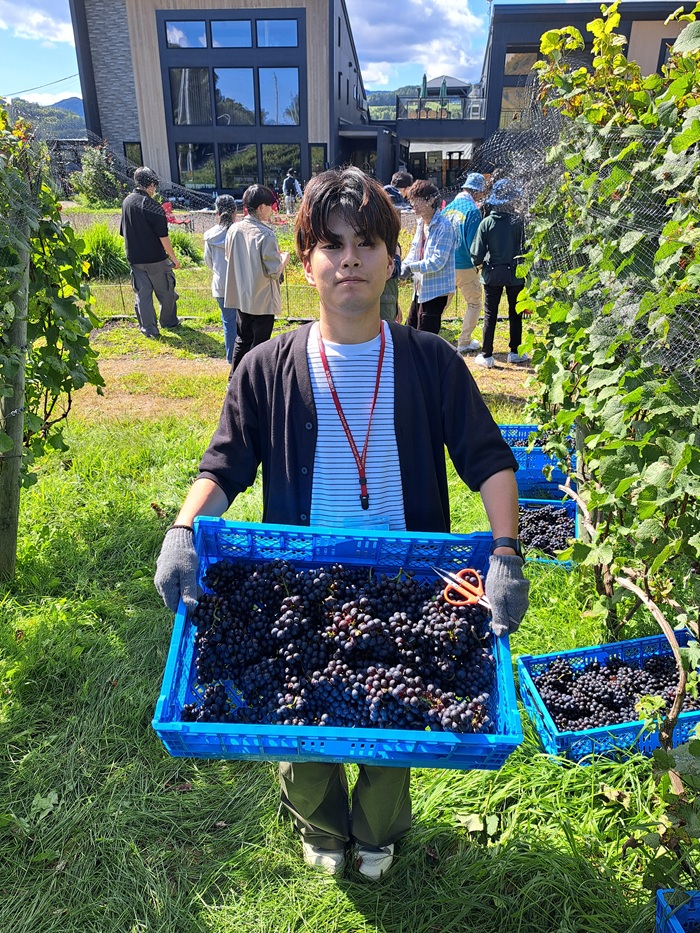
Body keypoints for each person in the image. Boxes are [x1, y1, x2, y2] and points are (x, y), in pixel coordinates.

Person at [153, 166, 529, 882]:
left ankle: (378, 829)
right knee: (301, 725)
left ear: (393, 257)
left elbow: (488, 459)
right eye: (330, 244)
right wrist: (182, 530)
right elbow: (224, 465)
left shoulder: (431, 362)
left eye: (364, 243)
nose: (348, 258)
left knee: (399, 721)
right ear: (306, 261)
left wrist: (506, 549)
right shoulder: (266, 367)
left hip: (407, 586)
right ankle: (321, 826)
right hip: (298, 585)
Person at [223, 184, 290, 372]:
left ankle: (234, 379)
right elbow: (274, 270)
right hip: (262, 299)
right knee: (261, 345)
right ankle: (254, 382)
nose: (272, 210)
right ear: (261, 207)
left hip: (241, 296)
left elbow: (229, 257)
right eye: (270, 206)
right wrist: (284, 259)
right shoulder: (265, 234)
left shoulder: (234, 229)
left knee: (242, 338)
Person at [470, 178, 529, 368]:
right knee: (515, 313)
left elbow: (476, 255)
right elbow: (526, 248)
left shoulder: (486, 223)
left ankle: (487, 355)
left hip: (492, 274)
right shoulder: (519, 222)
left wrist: (478, 263)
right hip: (515, 275)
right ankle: (515, 352)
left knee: (490, 314)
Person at [119, 166, 181, 339]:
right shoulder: (153, 206)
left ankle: (149, 330)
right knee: (166, 291)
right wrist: (174, 259)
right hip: (155, 259)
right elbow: (164, 237)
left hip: (134, 258)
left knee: (143, 295)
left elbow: (123, 232)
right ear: (151, 185)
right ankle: (169, 321)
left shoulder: (127, 202)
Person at [401, 180, 456, 334]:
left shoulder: (444, 227)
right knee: (409, 331)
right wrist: (401, 266)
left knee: (425, 338)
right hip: (420, 288)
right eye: (412, 200)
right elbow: (414, 252)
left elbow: (438, 262)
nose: (413, 204)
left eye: (417, 200)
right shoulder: (421, 223)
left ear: (431, 200)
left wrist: (410, 268)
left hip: (436, 292)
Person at [442, 173, 486, 354]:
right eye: (482, 192)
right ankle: (464, 341)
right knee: (474, 302)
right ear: (477, 192)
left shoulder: (448, 208)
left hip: (445, 263)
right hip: (465, 264)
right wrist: (479, 265)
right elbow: (474, 243)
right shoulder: (473, 211)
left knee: (441, 301)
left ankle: (428, 331)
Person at [203, 195, 239, 364]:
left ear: (217, 212)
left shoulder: (209, 236)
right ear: (235, 211)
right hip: (241, 285)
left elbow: (208, 261)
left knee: (228, 324)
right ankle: (246, 357)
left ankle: (231, 358)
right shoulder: (240, 233)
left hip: (220, 285)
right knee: (245, 323)